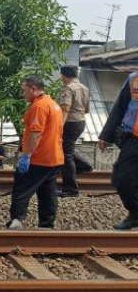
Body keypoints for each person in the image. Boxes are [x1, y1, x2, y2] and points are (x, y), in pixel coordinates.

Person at [8, 76, 64, 230]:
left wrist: (26, 155)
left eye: (24, 90)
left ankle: (17, 220)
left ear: (33, 88)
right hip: (54, 157)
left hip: (39, 157)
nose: (23, 94)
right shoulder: (53, 104)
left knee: (22, 188)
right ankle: (47, 225)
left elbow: (35, 133)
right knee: (48, 192)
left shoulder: (39, 106)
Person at [98, 70, 138, 230]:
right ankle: (135, 214)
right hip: (133, 140)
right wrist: (106, 135)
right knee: (121, 179)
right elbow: (120, 107)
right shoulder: (134, 79)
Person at [56, 65, 92, 198]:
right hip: (81, 122)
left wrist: (59, 126)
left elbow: (65, 109)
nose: (61, 78)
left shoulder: (68, 88)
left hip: (70, 123)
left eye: (62, 76)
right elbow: (87, 110)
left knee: (66, 155)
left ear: (64, 76)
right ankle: (84, 165)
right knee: (67, 150)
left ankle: (71, 189)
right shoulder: (85, 88)